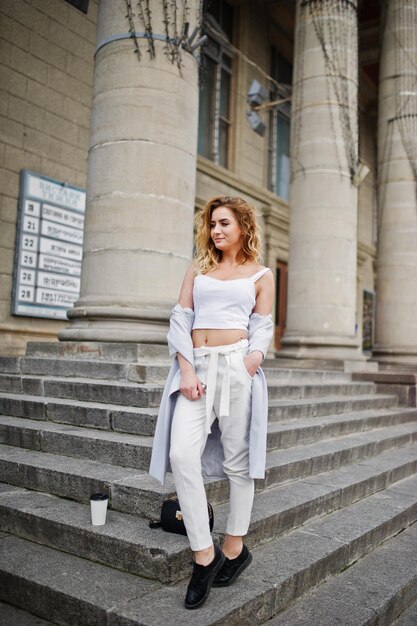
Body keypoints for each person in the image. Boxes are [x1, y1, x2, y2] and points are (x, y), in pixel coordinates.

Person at [149, 195, 275, 609]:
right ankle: (204, 555)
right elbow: (181, 318)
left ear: (242, 226)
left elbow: (262, 325)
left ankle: (235, 548)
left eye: (223, 223)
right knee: (182, 453)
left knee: (238, 461)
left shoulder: (261, 274)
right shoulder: (198, 268)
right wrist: (186, 369)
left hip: (237, 369)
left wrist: (252, 360)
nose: (216, 231)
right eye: (211, 225)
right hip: (197, 368)